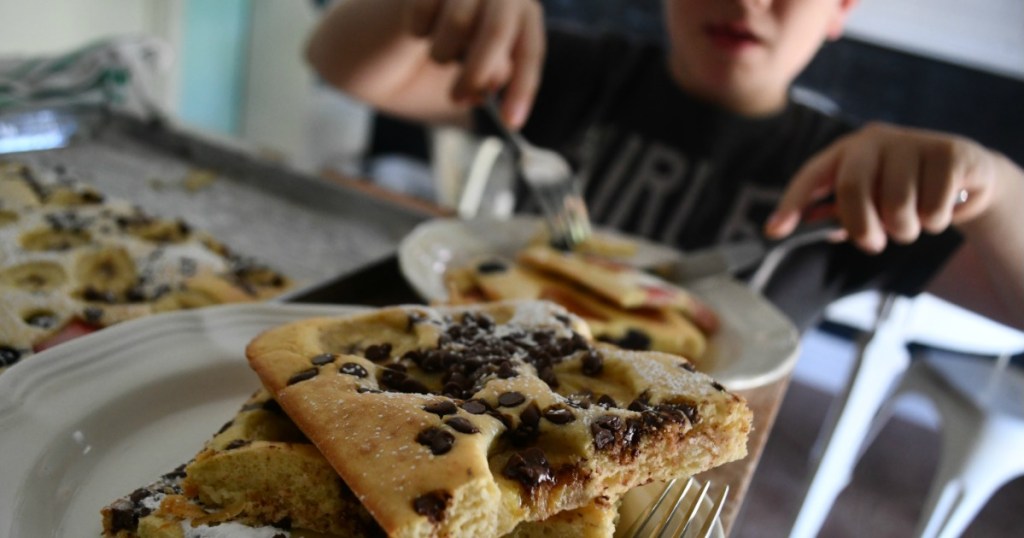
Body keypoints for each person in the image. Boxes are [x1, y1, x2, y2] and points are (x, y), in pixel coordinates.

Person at [305, 0, 1024, 332]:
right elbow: (335, 59)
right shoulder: (581, 72)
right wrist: (419, 9)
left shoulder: (862, 181)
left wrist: (995, 188)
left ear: (840, 8)